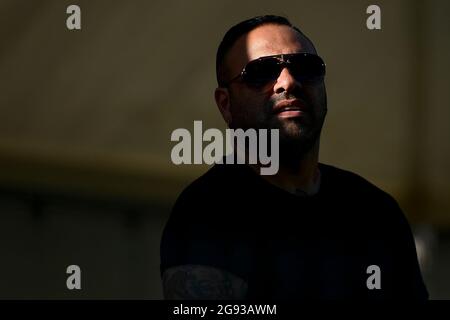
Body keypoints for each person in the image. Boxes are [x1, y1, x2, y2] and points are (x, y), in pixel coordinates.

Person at [160, 15, 428, 299]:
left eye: (305, 68)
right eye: (261, 72)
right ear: (226, 105)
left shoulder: (376, 212)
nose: (288, 81)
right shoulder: (206, 212)